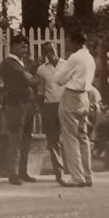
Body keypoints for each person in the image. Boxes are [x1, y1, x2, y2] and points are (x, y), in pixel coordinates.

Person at [53, 31, 97, 187]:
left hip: (71, 96)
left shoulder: (74, 57)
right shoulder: (90, 58)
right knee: (83, 136)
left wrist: (60, 67)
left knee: (70, 137)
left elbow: (58, 79)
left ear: (75, 42)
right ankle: (87, 175)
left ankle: (77, 176)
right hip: (84, 97)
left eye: (70, 42)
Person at [0, 46, 37, 184]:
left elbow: (30, 78)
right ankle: (13, 173)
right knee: (16, 137)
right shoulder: (9, 63)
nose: (25, 50)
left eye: (26, 47)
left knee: (26, 138)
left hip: (27, 104)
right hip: (17, 104)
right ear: (15, 45)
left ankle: (22, 171)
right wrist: (31, 76)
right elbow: (30, 80)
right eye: (22, 46)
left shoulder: (21, 63)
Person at [35, 43, 69, 183]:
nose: (49, 54)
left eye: (51, 50)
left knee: (68, 138)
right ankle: (59, 173)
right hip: (50, 106)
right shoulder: (41, 69)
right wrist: (41, 108)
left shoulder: (67, 65)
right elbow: (41, 92)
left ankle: (72, 170)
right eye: (46, 52)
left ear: (57, 49)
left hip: (66, 105)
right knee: (53, 140)